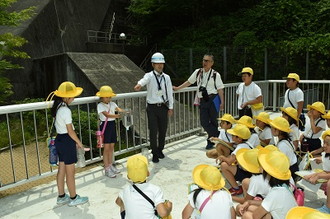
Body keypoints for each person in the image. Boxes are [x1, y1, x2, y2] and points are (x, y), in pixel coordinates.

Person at [173, 54, 225, 150]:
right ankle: (218, 135)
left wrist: (222, 102)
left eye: (207, 61)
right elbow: (189, 82)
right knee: (204, 122)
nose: (204, 62)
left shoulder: (215, 75)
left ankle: (210, 142)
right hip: (203, 100)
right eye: (204, 60)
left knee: (213, 121)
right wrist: (178, 88)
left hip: (213, 99)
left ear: (212, 63)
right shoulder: (198, 72)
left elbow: (220, 89)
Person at [49, 81, 89, 206]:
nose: (73, 98)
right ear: (66, 97)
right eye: (72, 96)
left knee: (61, 170)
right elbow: (70, 131)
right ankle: (73, 198)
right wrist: (79, 143)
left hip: (59, 140)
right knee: (70, 172)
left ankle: (61, 196)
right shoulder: (66, 110)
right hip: (67, 141)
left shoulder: (58, 107)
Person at [134, 52, 174, 163]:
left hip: (163, 107)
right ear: (153, 64)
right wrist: (139, 85)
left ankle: (160, 149)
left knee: (163, 130)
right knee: (153, 131)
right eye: (157, 63)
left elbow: (170, 93)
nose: (160, 65)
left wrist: (170, 107)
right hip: (152, 108)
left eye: (161, 63)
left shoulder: (167, 78)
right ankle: (154, 153)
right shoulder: (149, 75)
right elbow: (143, 80)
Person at [241, 149, 297, 219]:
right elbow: (268, 202)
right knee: (250, 208)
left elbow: (256, 216)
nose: (260, 166)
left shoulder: (275, 193)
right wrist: (249, 202)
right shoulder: (283, 186)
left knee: (246, 215)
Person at [96, 85, 125, 178]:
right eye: (106, 97)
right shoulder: (100, 105)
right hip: (105, 126)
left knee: (112, 147)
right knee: (106, 148)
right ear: (101, 97)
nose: (108, 98)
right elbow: (107, 115)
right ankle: (107, 168)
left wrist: (125, 112)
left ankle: (110, 165)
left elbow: (118, 109)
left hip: (112, 125)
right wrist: (118, 116)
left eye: (109, 97)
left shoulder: (113, 104)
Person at [219, 124, 252, 196]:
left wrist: (222, 157)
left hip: (246, 174)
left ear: (239, 138)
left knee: (224, 165)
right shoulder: (248, 144)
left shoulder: (240, 147)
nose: (232, 136)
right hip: (251, 173)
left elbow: (229, 161)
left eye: (233, 135)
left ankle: (236, 188)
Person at [304, 129, 330, 214]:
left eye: (328, 144)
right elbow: (326, 170)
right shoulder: (326, 154)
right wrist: (314, 175)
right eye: (324, 143)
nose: (324, 146)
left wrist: (318, 176)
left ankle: (328, 208)